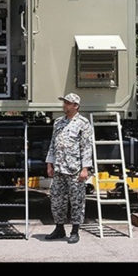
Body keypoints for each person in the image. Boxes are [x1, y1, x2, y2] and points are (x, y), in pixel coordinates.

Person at [45, 93, 93, 244]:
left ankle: (75, 231)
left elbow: (87, 147)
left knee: (77, 201)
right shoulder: (58, 122)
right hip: (59, 168)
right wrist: (49, 164)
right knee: (57, 200)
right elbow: (53, 144)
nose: (64, 105)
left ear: (75, 106)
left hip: (75, 170)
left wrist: (85, 169)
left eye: (67, 103)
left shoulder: (83, 123)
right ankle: (59, 228)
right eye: (64, 102)